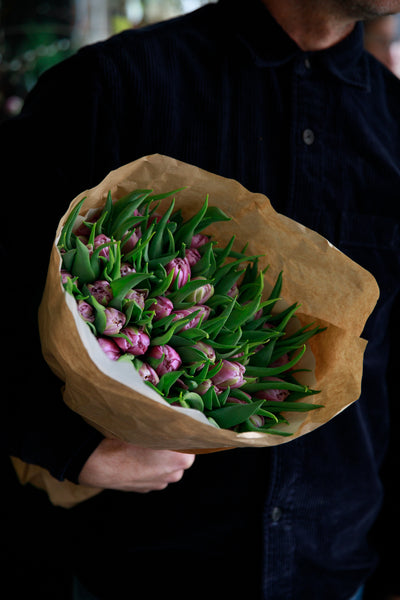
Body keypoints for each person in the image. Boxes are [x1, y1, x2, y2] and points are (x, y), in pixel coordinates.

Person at [1, 0, 399, 598]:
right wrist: (69, 447)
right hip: (135, 570)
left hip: (338, 571)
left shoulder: (395, 120)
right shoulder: (111, 85)